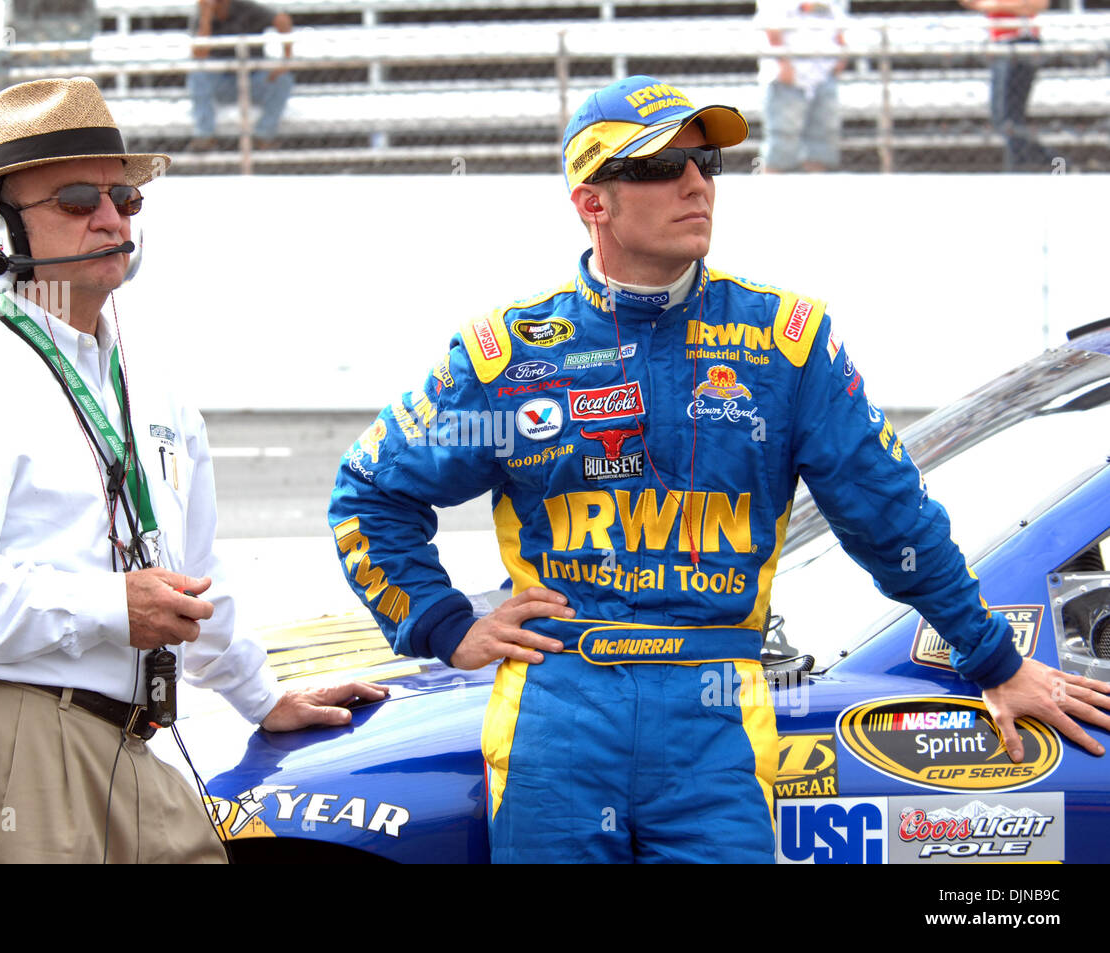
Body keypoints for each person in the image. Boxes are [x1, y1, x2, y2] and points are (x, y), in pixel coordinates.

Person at [327, 74, 1110, 863]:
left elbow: (889, 516)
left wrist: (994, 659)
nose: (697, 183)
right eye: (663, 165)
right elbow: (370, 493)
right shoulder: (511, 351)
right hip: (558, 713)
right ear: (592, 201)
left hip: (716, 715)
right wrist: (445, 625)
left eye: (707, 165)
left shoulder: (787, 341)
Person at [0, 76, 385, 864]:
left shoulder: (154, 387)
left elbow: (189, 576)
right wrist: (108, 607)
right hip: (6, 745)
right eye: (77, 199)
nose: (112, 217)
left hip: (127, 744)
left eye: (126, 199)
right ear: (0, 229)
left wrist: (262, 695)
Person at [960, 0, 1053, 171]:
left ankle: (1046, 164)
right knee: (1003, 118)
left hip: (1021, 42)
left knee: (1009, 118)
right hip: (1001, 45)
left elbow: (1038, 4)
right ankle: (1050, 163)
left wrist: (994, 4)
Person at [755, 0, 847, 172]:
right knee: (782, 142)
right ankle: (771, 191)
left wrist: (841, 56)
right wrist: (784, 64)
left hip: (825, 72)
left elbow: (840, 22)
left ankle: (816, 190)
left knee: (822, 142)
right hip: (788, 75)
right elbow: (771, 26)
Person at [190, 0, 294, 149]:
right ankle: (205, 136)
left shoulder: (245, 8)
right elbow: (199, 55)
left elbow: (282, 20)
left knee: (283, 80)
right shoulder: (201, 15)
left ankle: (264, 135)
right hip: (221, 81)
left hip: (254, 78)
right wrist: (206, 18)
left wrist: (286, 59)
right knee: (198, 76)